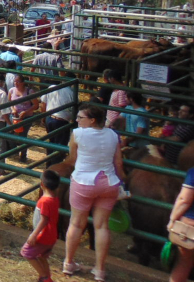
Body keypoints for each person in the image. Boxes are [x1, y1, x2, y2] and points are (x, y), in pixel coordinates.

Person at [62, 104, 124, 282]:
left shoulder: (78, 134)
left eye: (81, 117)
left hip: (83, 182)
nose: (77, 120)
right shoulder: (113, 135)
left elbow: (72, 159)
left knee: (76, 224)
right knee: (102, 226)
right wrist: (123, 181)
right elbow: (118, 163)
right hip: (109, 183)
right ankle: (100, 270)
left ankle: (68, 263)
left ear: (92, 120)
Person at [22, 169, 61, 282]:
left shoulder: (44, 201)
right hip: (52, 235)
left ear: (42, 184)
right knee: (41, 256)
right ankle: (46, 278)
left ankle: (44, 277)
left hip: (43, 235)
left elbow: (44, 220)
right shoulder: (55, 199)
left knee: (26, 253)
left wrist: (34, 235)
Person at [39, 72, 76, 166]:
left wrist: (44, 116)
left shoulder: (51, 87)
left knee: (51, 142)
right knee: (60, 146)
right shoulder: (71, 93)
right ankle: (56, 167)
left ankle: (49, 165)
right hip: (61, 121)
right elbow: (73, 110)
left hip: (49, 118)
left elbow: (43, 104)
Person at [168, 166, 194, 282]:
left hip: (190, 226)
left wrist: (172, 220)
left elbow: (184, 199)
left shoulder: (193, 173)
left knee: (183, 264)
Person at [9, 74, 38, 162]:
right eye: (15, 82)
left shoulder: (29, 91)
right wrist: (13, 109)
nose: (16, 83)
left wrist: (26, 112)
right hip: (15, 116)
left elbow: (36, 105)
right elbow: (9, 102)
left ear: (23, 83)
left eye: (18, 82)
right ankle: (14, 153)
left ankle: (23, 156)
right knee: (11, 134)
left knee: (23, 135)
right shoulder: (11, 90)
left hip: (26, 116)